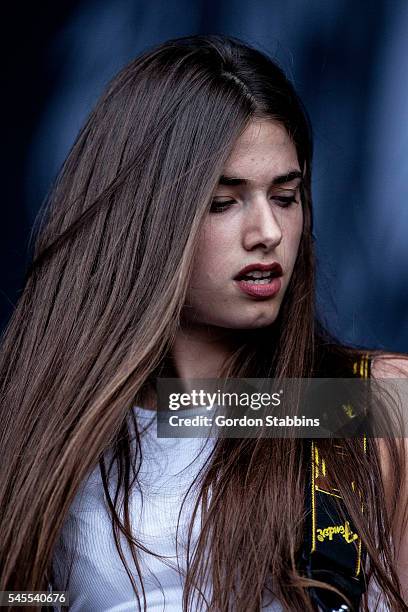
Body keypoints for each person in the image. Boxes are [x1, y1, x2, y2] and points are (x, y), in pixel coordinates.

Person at [0, 34, 407, 612]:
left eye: (286, 196)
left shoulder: (368, 401)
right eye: (224, 201)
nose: (266, 231)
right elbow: (18, 596)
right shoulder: (42, 424)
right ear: (143, 219)